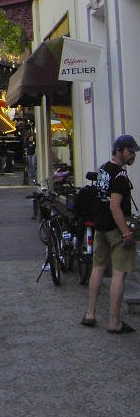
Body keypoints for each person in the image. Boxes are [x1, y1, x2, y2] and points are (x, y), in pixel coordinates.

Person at [82, 134, 138, 333]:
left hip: (100, 227)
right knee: (119, 274)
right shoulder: (120, 176)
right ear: (120, 151)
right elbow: (115, 207)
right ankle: (115, 322)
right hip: (115, 229)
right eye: (131, 151)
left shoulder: (104, 169)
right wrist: (126, 234)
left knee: (97, 268)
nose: (133, 155)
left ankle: (90, 313)